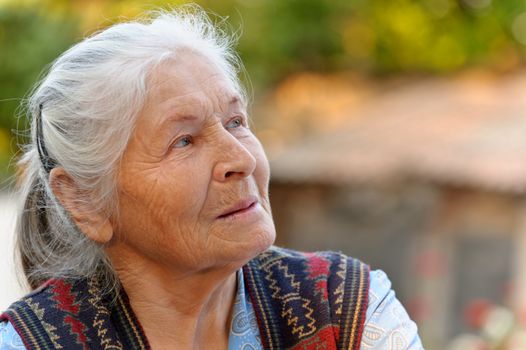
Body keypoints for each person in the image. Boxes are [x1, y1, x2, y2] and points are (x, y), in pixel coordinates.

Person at [0, 6, 424, 350]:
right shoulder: (30, 343)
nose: (240, 158)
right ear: (84, 200)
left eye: (236, 121)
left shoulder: (345, 307)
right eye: (183, 141)